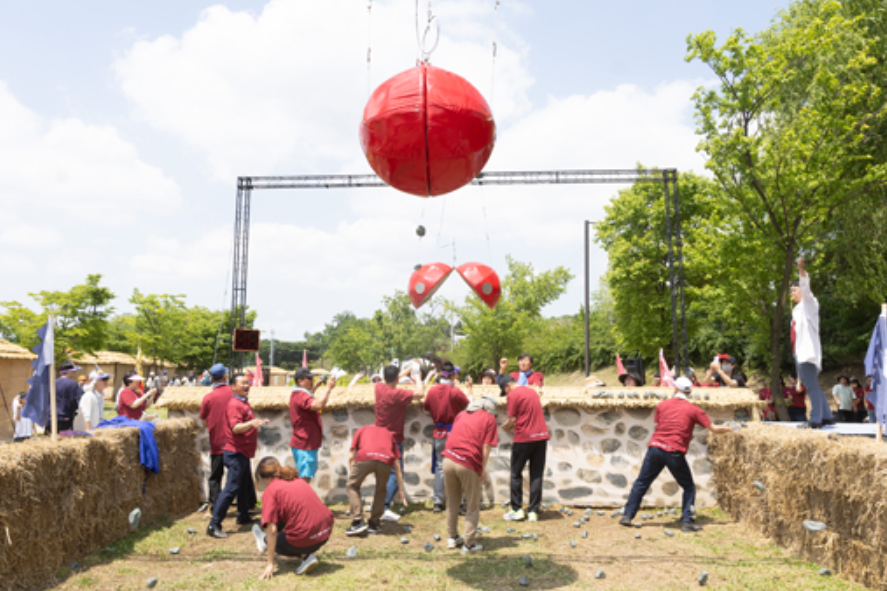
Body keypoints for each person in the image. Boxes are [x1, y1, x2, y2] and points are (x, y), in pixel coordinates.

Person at [620, 377, 735, 532]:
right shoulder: (694, 410)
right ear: (689, 392)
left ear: (675, 389)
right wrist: (733, 428)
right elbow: (714, 429)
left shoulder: (662, 405)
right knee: (689, 487)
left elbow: (660, 425)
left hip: (655, 448)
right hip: (674, 452)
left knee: (641, 482)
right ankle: (687, 521)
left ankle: (627, 515)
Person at [208, 373, 269, 538]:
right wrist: (251, 423)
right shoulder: (235, 404)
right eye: (243, 383)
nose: (247, 385)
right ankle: (214, 525)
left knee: (243, 485)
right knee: (231, 488)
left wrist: (257, 422)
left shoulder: (243, 402)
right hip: (235, 453)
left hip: (242, 452)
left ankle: (243, 515)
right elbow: (236, 428)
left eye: (248, 382)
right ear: (233, 387)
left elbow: (245, 423)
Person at [253, 456, 334, 579]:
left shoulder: (271, 491)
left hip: (305, 537)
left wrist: (270, 564)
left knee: (273, 535)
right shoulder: (296, 479)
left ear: (267, 478)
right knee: (282, 518)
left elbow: (272, 531)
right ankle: (307, 555)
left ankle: (263, 541)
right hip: (325, 533)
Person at [442, 395, 499, 552]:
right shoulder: (489, 419)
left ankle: (452, 537)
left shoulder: (461, 414)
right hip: (468, 462)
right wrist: (481, 469)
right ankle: (469, 544)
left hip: (448, 459)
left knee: (452, 502)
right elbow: (486, 446)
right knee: (472, 505)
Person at [374, 364, 426, 521]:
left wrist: (405, 372)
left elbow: (390, 379)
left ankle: (378, 503)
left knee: (382, 473)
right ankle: (382, 507)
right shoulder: (398, 394)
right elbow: (420, 394)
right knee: (397, 475)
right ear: (397, 378)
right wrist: (418, 379)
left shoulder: (378, 388)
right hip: (393, 439)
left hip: (378, 437)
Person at [791, 257, 834, 428]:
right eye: (791, 291)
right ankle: (827, 416)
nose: (792, 293)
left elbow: (806, 288)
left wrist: (801, 270)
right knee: (813, 384)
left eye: (795, 290)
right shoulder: (796, 310)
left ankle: (815, 420)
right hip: (799, 351)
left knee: (810, 386)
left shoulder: (809, 304)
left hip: (807, 353)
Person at [500, 376, 549, 523]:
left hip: (524, 438)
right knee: (536, 474)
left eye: (504, 391)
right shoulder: (532, 392)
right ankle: (533, 512)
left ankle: (517, 510)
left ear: (508, 386)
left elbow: (512, 419)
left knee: (516, 473)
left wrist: (505, 427)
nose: (506, 394)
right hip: (541, 437)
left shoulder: (512, 395)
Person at [423, 361, 470, 513]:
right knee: (458, 467)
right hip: (454, 433)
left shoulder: (432, 391)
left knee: (440, 468)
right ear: (452, 375)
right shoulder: (455, 392)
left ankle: (437, 502)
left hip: (438, 433)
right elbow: (468, 405)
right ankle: (459, 503)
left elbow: (426, 409)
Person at [345, 424, 406, 536]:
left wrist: (353, 474)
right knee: (381, 490)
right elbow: (397, 466)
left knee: (352, 486)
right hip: (385, 460)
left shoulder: (361, 430)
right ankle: (374, 524)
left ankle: (358, 521)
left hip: (365, 457)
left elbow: (351, 456)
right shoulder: (389, 434)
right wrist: (401, 491)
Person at [289, 368, 338, 484]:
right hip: (305, 444)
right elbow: (318, 405)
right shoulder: (301, 395)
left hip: (304, 443)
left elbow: (308, 397)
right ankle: (300, 496)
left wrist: (316, 386)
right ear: (300, 381)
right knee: (305, 477)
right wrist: (328, 388)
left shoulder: (298, 393)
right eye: (309, 378)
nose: (312, 380)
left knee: (305, 475)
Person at [200, 363, 234, 506]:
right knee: (239, 475)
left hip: (216, 442)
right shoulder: (234, 393)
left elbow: (203, 422)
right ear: (225, 376)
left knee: (215, 477)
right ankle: (246, 505)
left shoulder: (208, 398)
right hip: (234, 442)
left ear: (212, 378)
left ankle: (215, 505)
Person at [54, 361, 84, 432]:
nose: (75, 372)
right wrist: (76, 410)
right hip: (65, 417)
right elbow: (73, 400)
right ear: (69, 372)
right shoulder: (73, 384)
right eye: (73, 371)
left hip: (51, 417)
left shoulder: (53, 383)